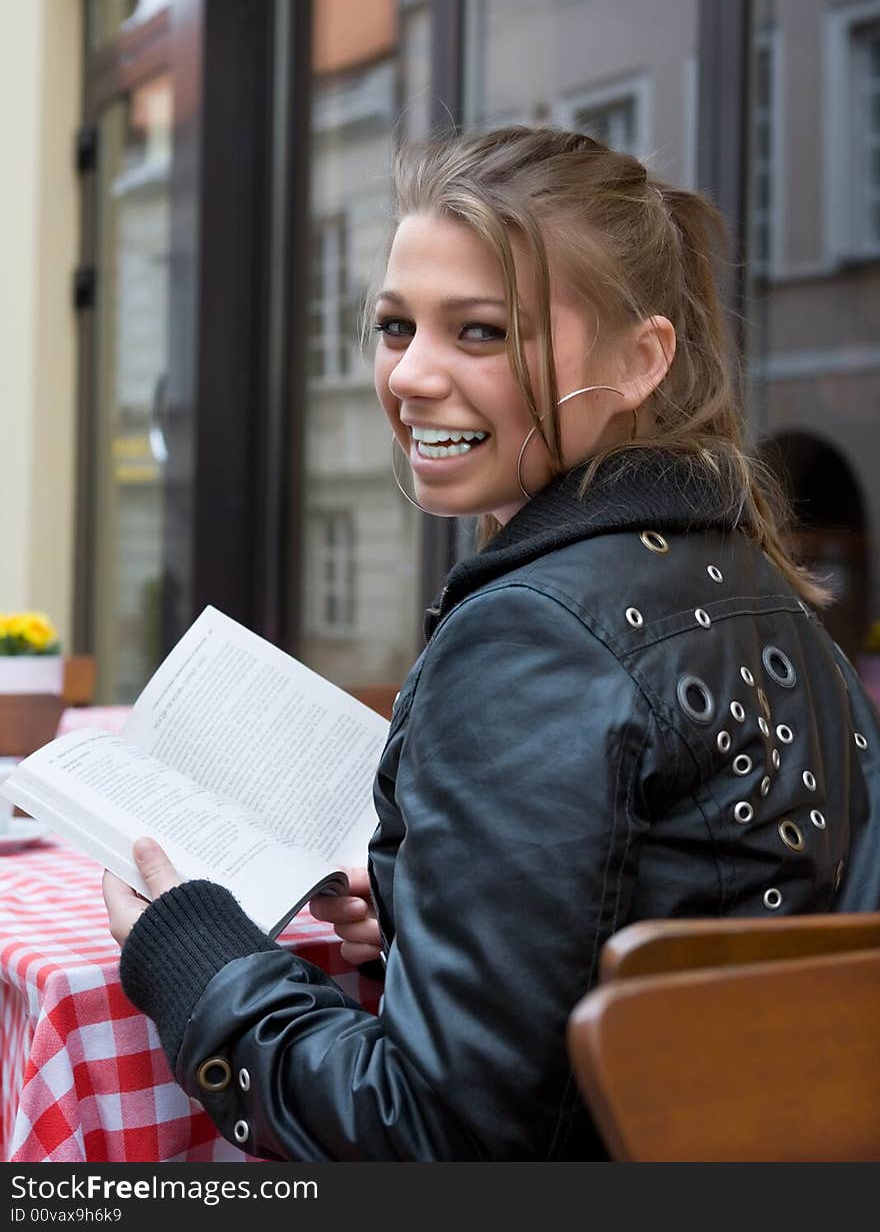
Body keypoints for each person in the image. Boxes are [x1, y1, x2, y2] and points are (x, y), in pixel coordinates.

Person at [103, 126, 880, 1161]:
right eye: (393, 325)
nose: (412, 375)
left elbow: (430, 1143)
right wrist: (435, 910)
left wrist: (194, 959)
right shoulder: (772, 596)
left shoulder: (529, 636)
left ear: (641, 358)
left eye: (478, 332)